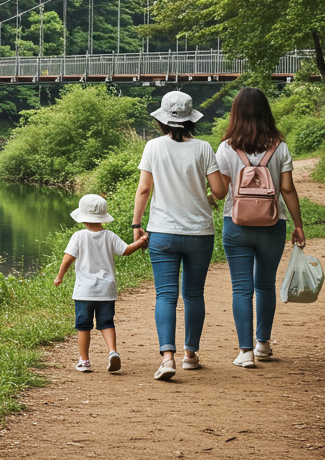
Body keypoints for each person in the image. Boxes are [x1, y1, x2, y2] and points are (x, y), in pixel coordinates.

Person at [131, 90, 228, 381]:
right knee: (194, 294)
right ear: (191, 119)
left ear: (162, 120)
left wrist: (136, 224)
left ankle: (167, 358)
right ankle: (190, 355)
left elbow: (144, 189)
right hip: (199, 233)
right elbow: (220, 191)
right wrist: (206, 194)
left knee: (166, 294)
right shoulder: (204, 148)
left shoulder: (153, 147)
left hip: (162, 232)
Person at [215, 87, 306, 368]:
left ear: (235, 113)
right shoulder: (280, 147)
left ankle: (245, 352)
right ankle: (263, 344)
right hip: (273, 223)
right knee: (265, 284)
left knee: (241, 288)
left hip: (236, 223)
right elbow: (287, 189)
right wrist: (298, 225)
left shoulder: (226, 147)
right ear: (266, 112)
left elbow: (221, 190)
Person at [54, 194, 149, 373]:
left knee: (83, 326)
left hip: (84, 292)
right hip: (106, 290)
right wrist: (140, 242)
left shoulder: (78, 236)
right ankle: (112, 351)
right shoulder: (110, 236)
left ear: (83, 218)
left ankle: (84, 361)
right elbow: (126, 251)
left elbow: (68, 258)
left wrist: (59, 276)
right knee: (107, 323)